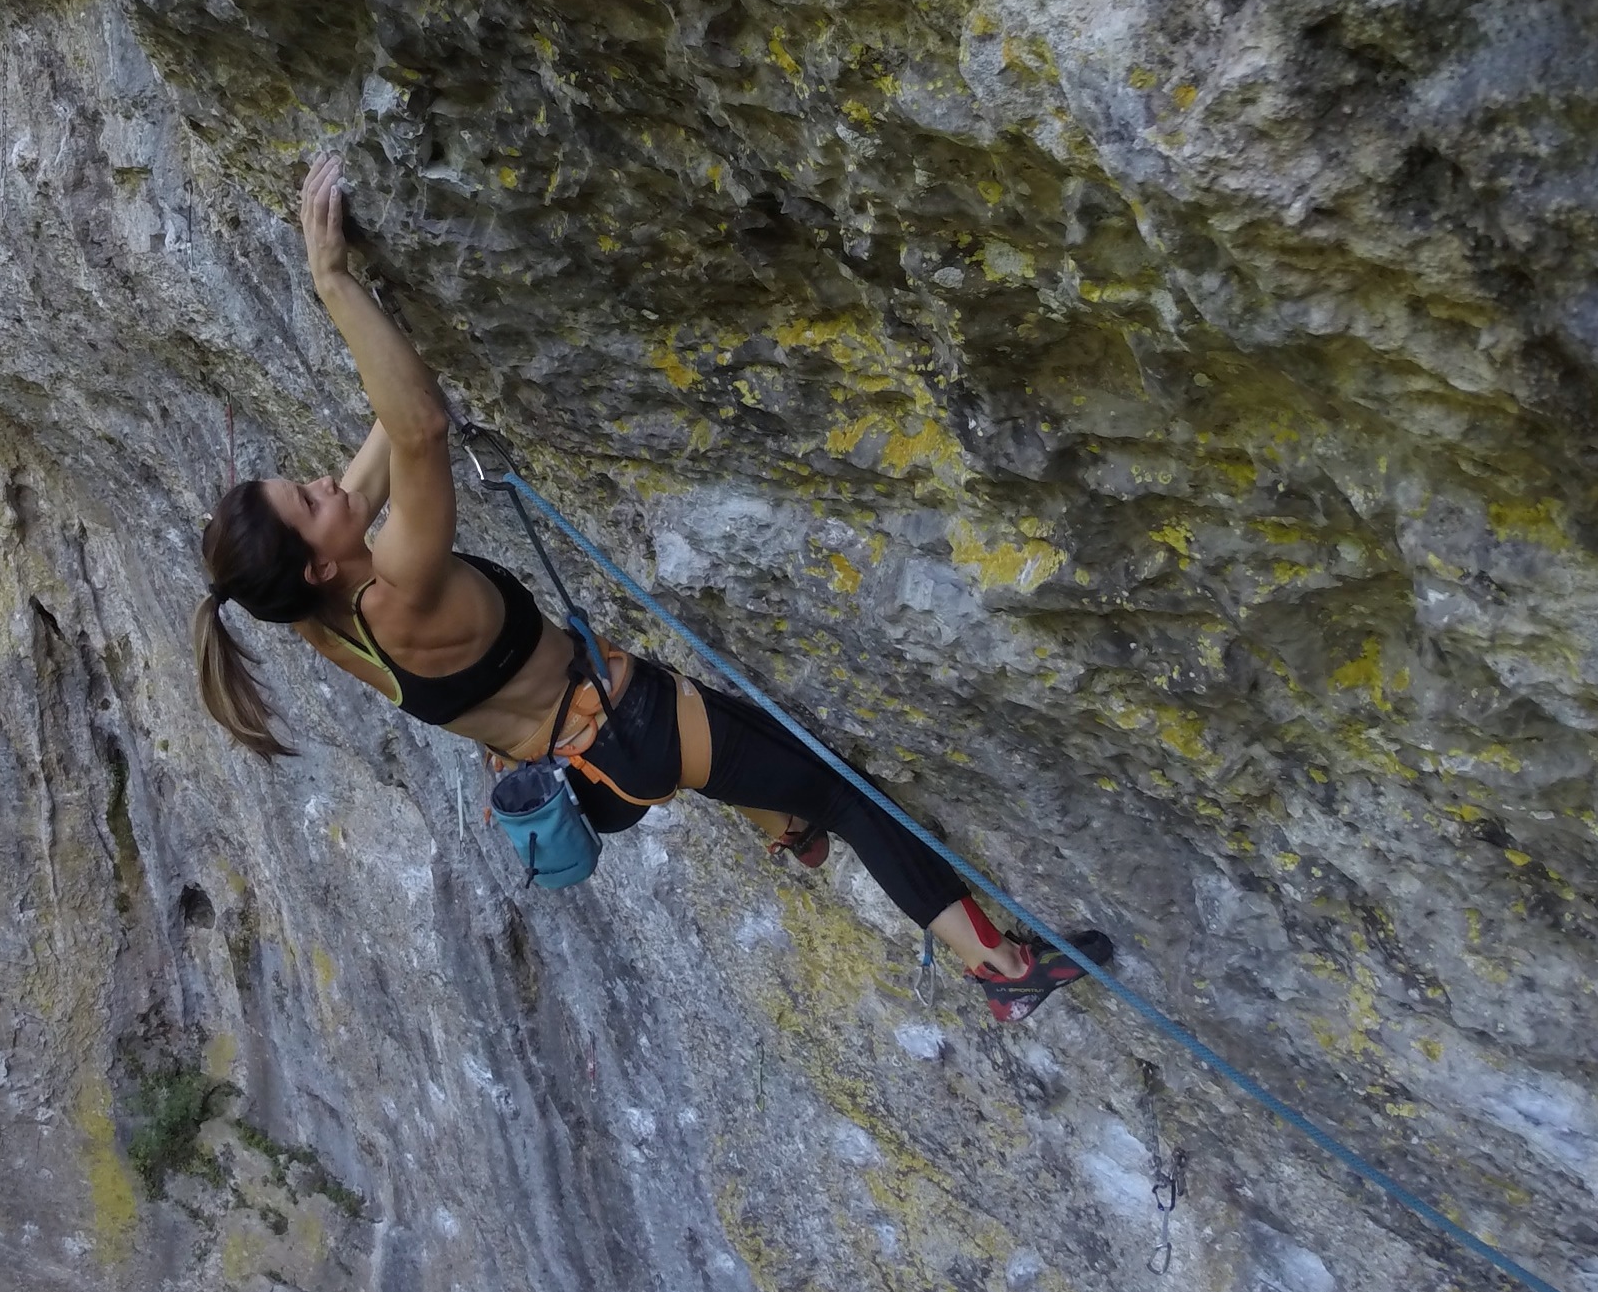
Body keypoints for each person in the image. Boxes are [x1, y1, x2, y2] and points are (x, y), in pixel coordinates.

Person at [190, 154, 1113, 1024]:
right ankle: (1000, 972)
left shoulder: (318, 620)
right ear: (318, 562)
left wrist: (397, 321)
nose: (322, 484)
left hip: (585, 769)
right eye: (304, 499)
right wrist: (333, 284)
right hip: (633, 728)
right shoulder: (397, 591)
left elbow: (382, 448)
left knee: (768, 780)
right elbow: (419, 429)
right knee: (848, 797)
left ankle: (782, 829)